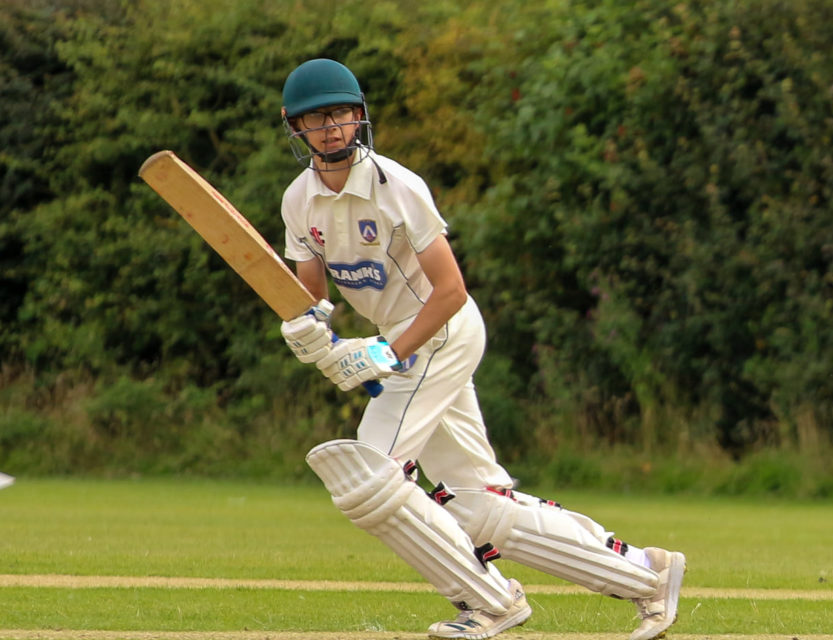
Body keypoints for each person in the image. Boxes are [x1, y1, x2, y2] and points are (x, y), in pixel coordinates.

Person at [275, 58, 687, 640]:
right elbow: (311, 295)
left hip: (440, 330)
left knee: (368, 474)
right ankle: (649, 573)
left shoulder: (398, 188)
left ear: (360, 117)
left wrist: (385, 353)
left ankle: (489, 601)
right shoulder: (299, 200)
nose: (331, 129)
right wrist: (308, 329)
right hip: (400, 341)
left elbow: (450, 291)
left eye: (340, 114)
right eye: (316, 120)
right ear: (294, 127)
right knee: (476, 505)